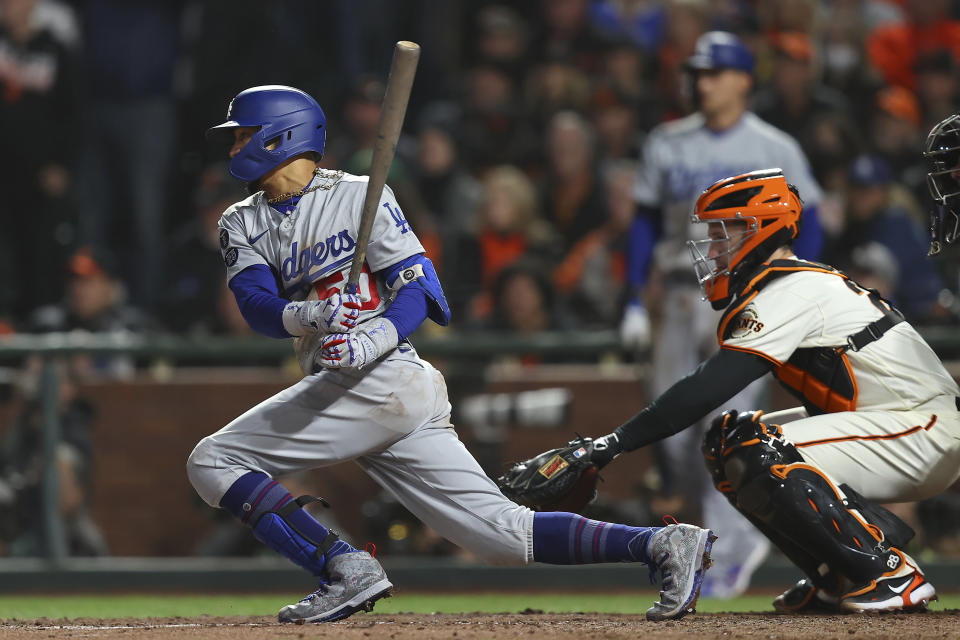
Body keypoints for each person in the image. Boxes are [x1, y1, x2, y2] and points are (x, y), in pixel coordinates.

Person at [186, 85, 717, 625]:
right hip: (358, 387)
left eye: (244, 135)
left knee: (214, 460)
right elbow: (254, 304)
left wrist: (373, 337)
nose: (234, 148)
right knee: (502, 537)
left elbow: (422, 289)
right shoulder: (241, 220)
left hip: (384, 375)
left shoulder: (360, 195)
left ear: (283, 135)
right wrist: (311, 316)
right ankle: (662, 544)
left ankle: (342, 568)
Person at [581, 167, 960, 612]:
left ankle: (888, 573)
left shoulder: (791, 287)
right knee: (727, 442)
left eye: (723, 233)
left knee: (759, 448)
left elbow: (707, 387)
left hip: (922, 427)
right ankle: (837, 576)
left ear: (761, 229)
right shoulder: (786, 284)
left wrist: (609, 445)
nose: (714, 248)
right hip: (898, 424)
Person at [620, 30, 825, 597]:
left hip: (745, 295)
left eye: (713, 73)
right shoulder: (667, 139)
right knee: (674, 431)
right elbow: (642, 222)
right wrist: (635, 297)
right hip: (681, 294)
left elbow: (814, 218)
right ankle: (713, 542)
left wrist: (797, 290)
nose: (701, 83)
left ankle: (727, 550)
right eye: (697, 73)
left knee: (724, 424)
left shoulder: (774, 145)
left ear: (743, 80)